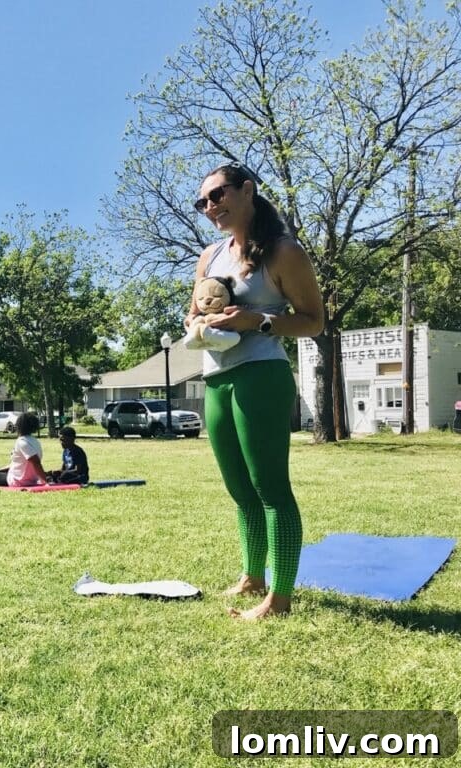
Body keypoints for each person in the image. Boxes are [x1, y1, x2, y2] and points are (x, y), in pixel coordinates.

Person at [187, 161, 323, 620]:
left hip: (261, 375)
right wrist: (199, 322)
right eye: (202, 201)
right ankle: (252, 576)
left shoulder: (283, 252)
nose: (210, 207)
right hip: (217, 378)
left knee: (270, 488)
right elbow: (193, 314)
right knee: (240, 489)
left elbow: (313, 321)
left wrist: (257, 320)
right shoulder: (210, 256)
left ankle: (279, 598)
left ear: (247, 191)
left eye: (218, 196)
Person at [0, 412, 51, 487]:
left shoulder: (22, 442)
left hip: (18, 481)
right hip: (27, 479)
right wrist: (0, 470)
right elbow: (21, 463)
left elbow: (36, 462)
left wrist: (45, 481)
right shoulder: (34, 441)